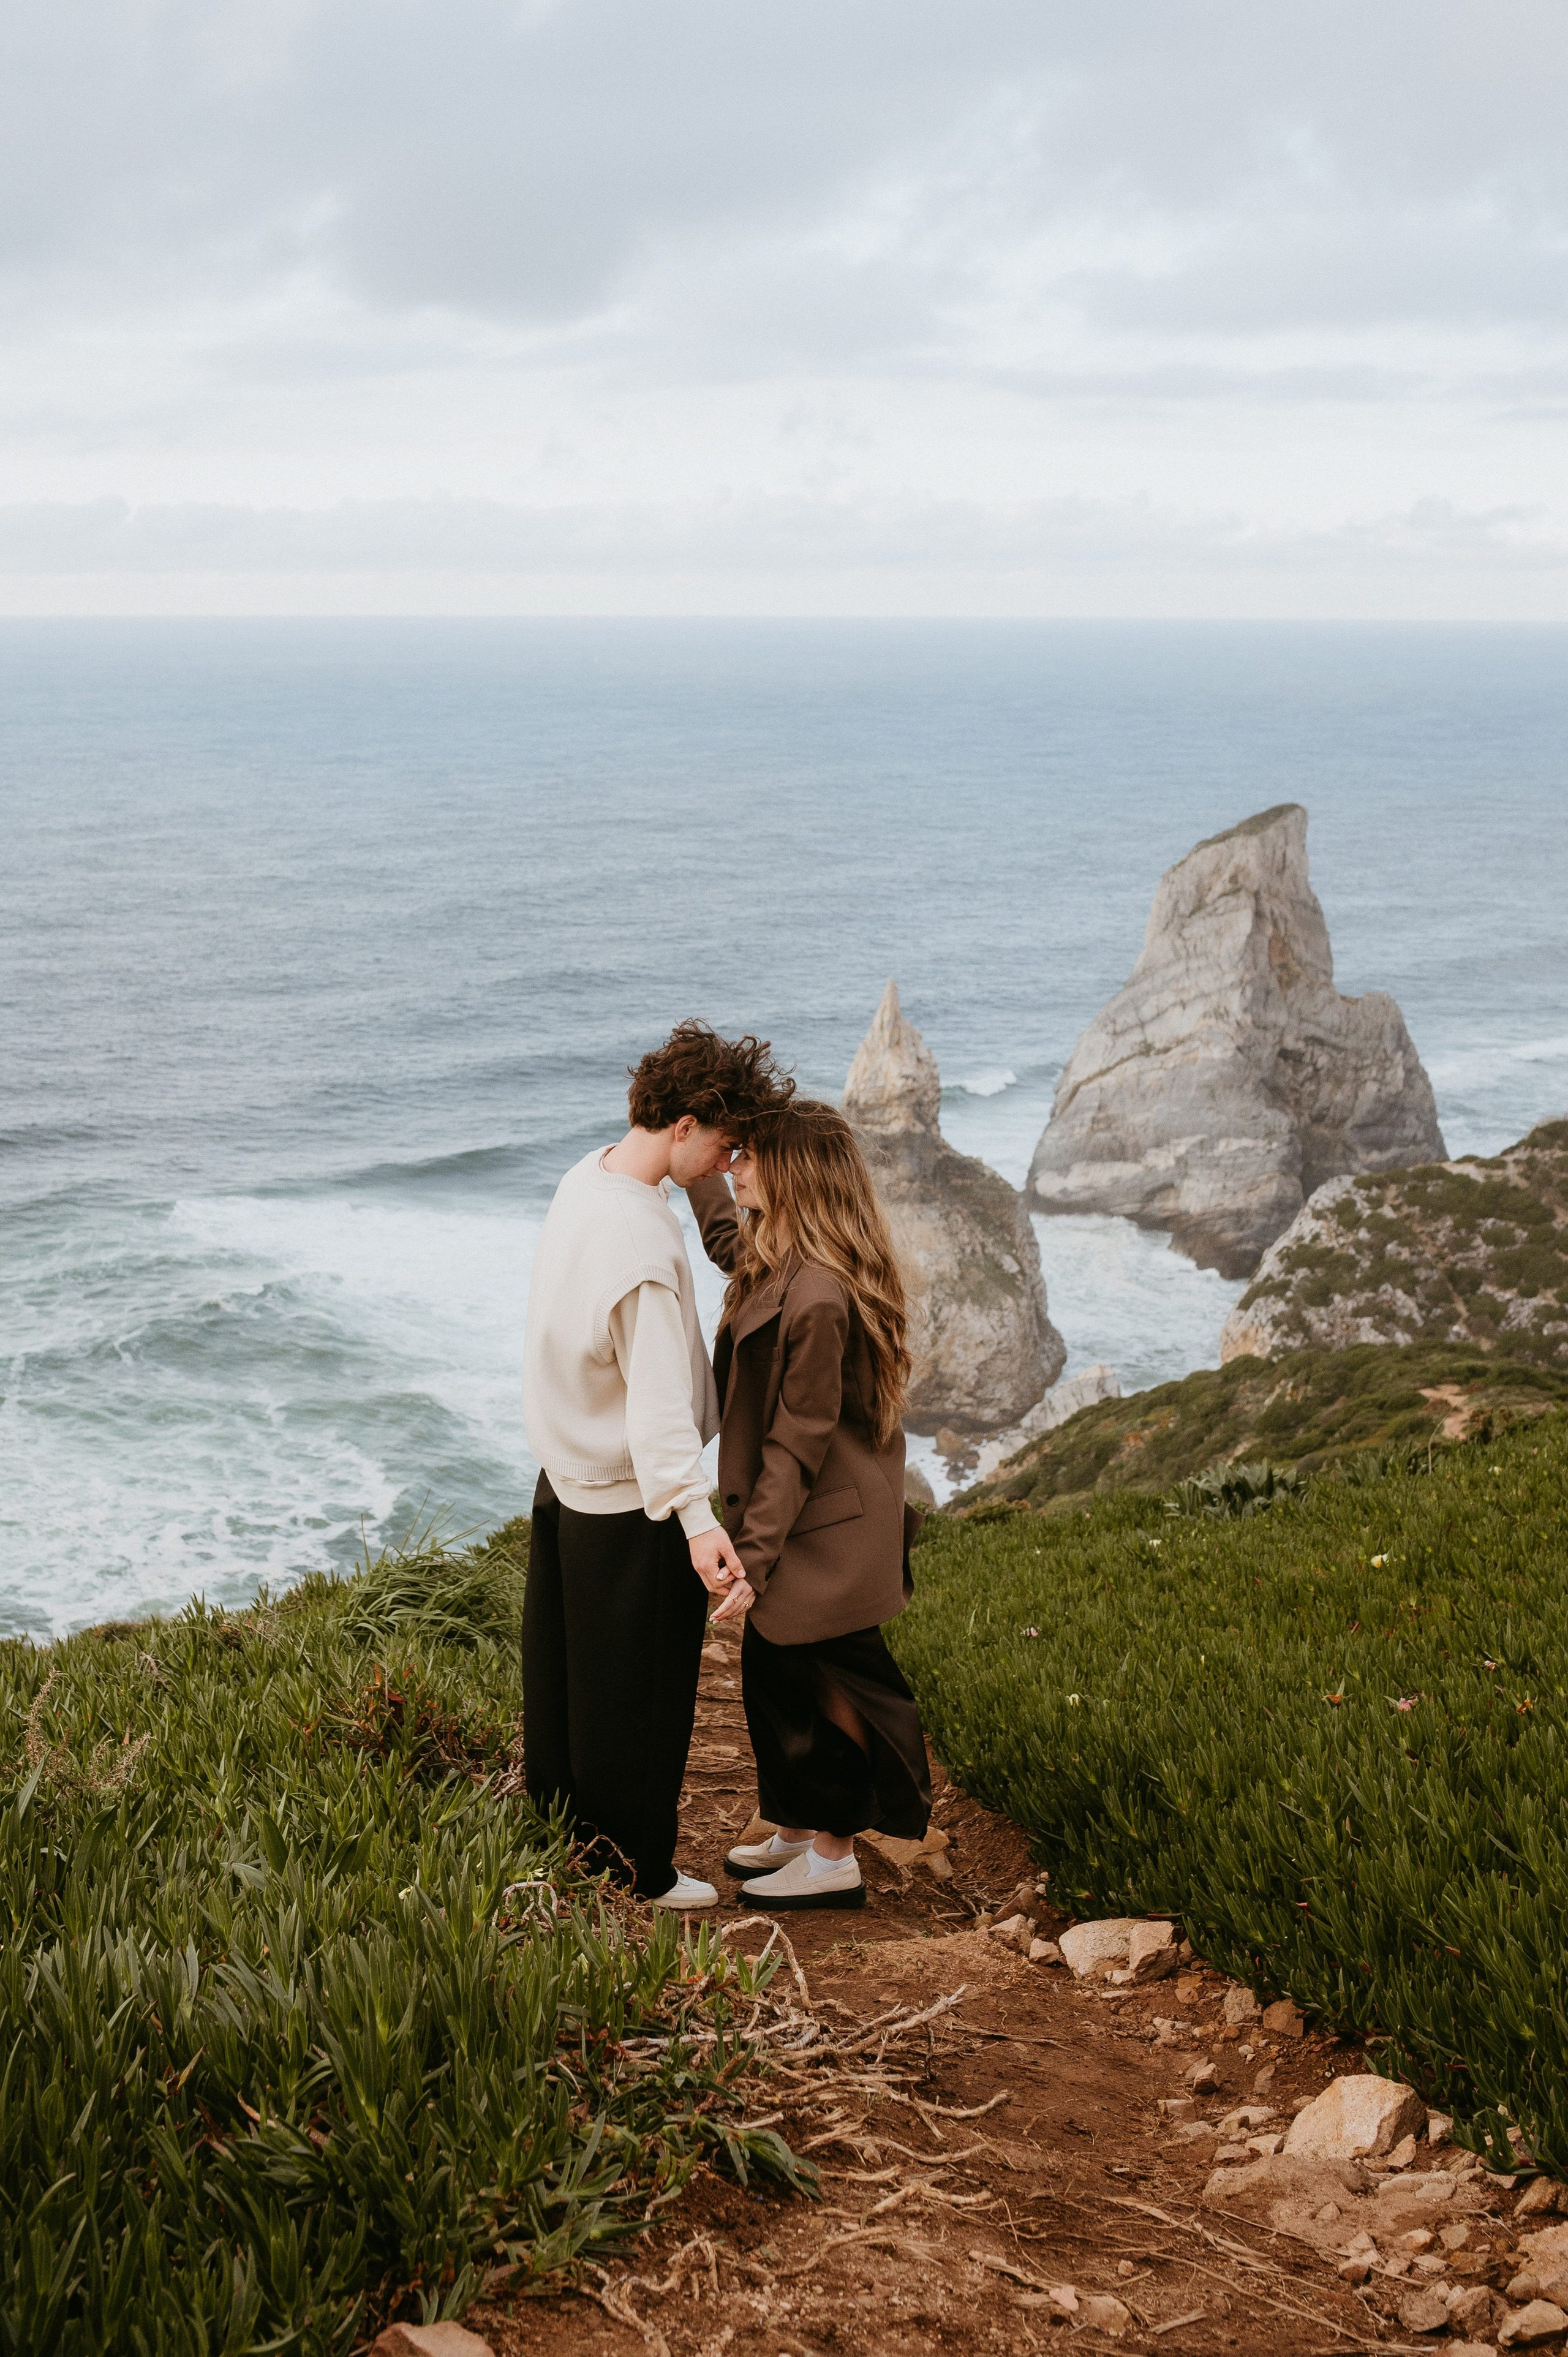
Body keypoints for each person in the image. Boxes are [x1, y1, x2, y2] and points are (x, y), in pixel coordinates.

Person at [522, 1020, 792, 1909]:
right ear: (683, 1125)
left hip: (564, 1480)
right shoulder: (640, 1245)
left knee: (566, 1684)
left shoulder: (588, 1177)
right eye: (721, 1143)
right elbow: (656, 1407)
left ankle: (565, 1842)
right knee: (639, 1699)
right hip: (627, 1498)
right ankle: (634, 1871)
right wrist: (697, 1519)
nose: (724, 1163)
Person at [687, 1098, 931, 1911]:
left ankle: (835, 1856)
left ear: (791, 1173)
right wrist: (688, 1165)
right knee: (776, 1676)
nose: (735, 1164)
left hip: (830, 1530)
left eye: (749, 1156)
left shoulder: (820, 1296)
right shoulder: (778, 1253)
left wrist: (749, 1558)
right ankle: (796, 1825)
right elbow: (727, 1239)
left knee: (831, 1692)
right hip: (810, 1514)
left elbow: (798, 1441)